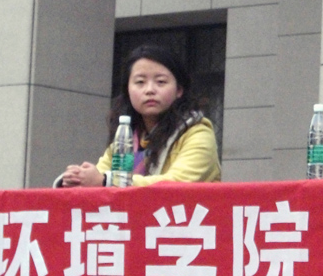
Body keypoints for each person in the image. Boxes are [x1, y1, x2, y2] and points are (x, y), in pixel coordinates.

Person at [58, 44, 220, 187]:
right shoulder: (128, 136)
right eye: (140, 82)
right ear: (127, 90)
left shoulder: (198, 133)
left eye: (161, 82)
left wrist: (107, 181)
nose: (150, 90)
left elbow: (176, 184)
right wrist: (77, 178)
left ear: (179, 90)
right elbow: (100, 174)